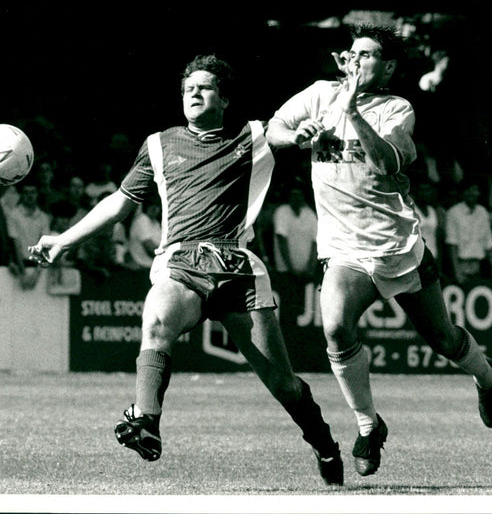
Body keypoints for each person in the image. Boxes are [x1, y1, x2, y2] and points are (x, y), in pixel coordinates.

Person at [28, 54, 343, 485]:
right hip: (181, 261)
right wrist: (64, 239)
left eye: (205, 87)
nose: (193, 93)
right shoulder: (158, 144)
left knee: (283, 385)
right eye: (187, 88)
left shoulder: (252, 136)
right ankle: (147, 423)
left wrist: (304, 134)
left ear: (225, 99)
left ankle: (325, 444)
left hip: (237, 269)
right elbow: (120, 203)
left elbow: (284, 129)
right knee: (156, 319)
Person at [267, 24, 492, 478]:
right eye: (353, 53)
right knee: (335, 329)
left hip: (397, 247)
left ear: (389, 66)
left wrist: (352, 108)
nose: (357, 60)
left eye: (369, 54)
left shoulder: (398, 108)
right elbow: (274, 127)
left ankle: (487, 377)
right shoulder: (318, 94)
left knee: (444, 340)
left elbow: (384, 160)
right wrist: (298, 138)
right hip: (343, 248)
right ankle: (368, 425)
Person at [445, 179, 492, 284]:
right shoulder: (453, 212)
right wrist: (457, 272)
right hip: (460, 266)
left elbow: (489, 243)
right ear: (463, 193)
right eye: (468, 190)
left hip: (479, 266)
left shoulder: (483, 212)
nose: (471, 193)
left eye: (474, 190)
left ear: (479, 193)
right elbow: (452, 245)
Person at [273, 184, 319, 280]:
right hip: (285, 272)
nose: (296, 198)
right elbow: (282, 240)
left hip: (306, 273)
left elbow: (315, 242)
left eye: (299, 195)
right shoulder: (282, 212)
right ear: (289, 196)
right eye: (293, 195)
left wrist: (311, 267)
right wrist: (291, 269)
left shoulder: (310, 214)